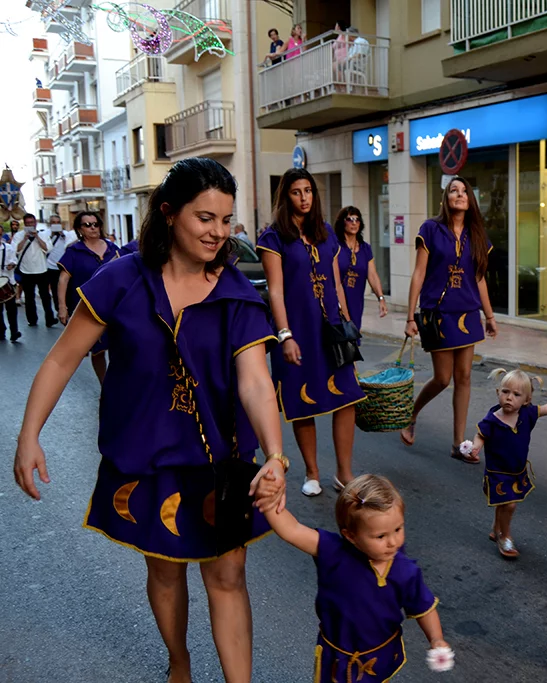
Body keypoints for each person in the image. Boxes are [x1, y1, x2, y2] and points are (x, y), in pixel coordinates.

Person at [13, 157, 288, 683]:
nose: (218, 232)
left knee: (228, 575)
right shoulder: (120, 280)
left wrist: (274, 455)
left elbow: (255, 381)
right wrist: (29, 436)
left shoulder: (236, 293)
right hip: (145, 456)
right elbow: (61, 358)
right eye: (205, 217)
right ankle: (179, 663)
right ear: (168, 213)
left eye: (226, 220)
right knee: (164, 568)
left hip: (221, 463)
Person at [261, 474, 453, 682]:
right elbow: (293, 530)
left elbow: (424, 607)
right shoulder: (333, 552)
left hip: (379, 658)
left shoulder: (405, 571)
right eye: (380, 536)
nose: (393, 542)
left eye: (398, 529)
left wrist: (436, 639)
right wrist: (269, 503)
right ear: (351, 535)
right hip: (337, 659)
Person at [258, 168, 365, 498]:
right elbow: (275, 291)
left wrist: (348, 324)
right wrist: (285, 335)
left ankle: (344, 473)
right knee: (304, 401)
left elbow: (335, 283)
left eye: (308, 191)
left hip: (331, 331)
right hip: (298, 331)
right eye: (296, 192)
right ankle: (312, 471)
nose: (304, 198)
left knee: (346, 397)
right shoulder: (273, 237)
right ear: (285, 196)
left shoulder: (326, 233)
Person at [400, 176, 500, 460]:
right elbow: (419, 273)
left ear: (470, 200)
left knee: (465, 376)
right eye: (453, 190)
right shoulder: (430, 229)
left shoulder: (477, 234)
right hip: (439, 313)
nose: (459, 194)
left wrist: (489, 315)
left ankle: (459, 444)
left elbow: (479, 278)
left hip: (468, 313)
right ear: (445, 198)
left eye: (464, 190)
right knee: (443, 378)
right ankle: (412, 415)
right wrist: (410, 316)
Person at [467, 369, 547, 558]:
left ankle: (496, 527)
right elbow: (480, 435)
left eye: (516, 394)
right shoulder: (492, 419)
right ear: (498, 392)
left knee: (503, 503)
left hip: (516, 471)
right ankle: (505, 536)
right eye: (505, 392)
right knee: (510, 504)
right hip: (498, 472)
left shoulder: (527, 414)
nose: (509, 398)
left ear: (526, 400)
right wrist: (475, 447)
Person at [57, 212, 121, 383]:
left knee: (119, 346)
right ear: (79, 229)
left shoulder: (113, 248)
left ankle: (118, 384)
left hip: (115, 306)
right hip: (88, 307)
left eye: (96, 224)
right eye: (88, 225)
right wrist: (62, 307)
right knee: (98, 349)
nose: (93, 228)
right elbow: (63, 279)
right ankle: (104, 385)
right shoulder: (74, 251)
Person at [335, 206, 387, 335]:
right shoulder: (335, 246)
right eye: (349, 219)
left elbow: (372, 275)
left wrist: (381, 298)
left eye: (357, 220)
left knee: (352, 342)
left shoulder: (365, 248)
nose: (354, 223)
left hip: (356, 303)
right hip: (336, 303)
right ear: (342, 222)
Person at [11, 213, 57, 327]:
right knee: (29, 297)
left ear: (35, 223)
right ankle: (32, 319)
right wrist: (25, 238)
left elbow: (48, 248)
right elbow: (15, 250)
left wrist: (37, 237)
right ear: (24, 224)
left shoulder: (43, 234)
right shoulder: (19, 235)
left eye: (32, 223)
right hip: (26, 270)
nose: (30, 225)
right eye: (27, 224)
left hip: (41, 269)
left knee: (45, 296)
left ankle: (49, 318)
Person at [45, 214, 74, 309]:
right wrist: (52, 235)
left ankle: (69, 307)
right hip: (51, 267)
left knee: (68, 288)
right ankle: (59, 308)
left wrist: (62, 235)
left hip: (64, 266)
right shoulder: (45, 234)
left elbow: (69, 246)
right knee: (55, 289)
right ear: (49, 224)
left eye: (58, 222)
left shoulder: (66, 234)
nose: (56, 224)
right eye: (53, 222)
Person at [0, 235, 20, 341]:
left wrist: (11, 265)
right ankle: (1, 331)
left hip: (8, 281)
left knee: (12, 309)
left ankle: (14, 332)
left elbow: (14, 260)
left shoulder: (8, 247)